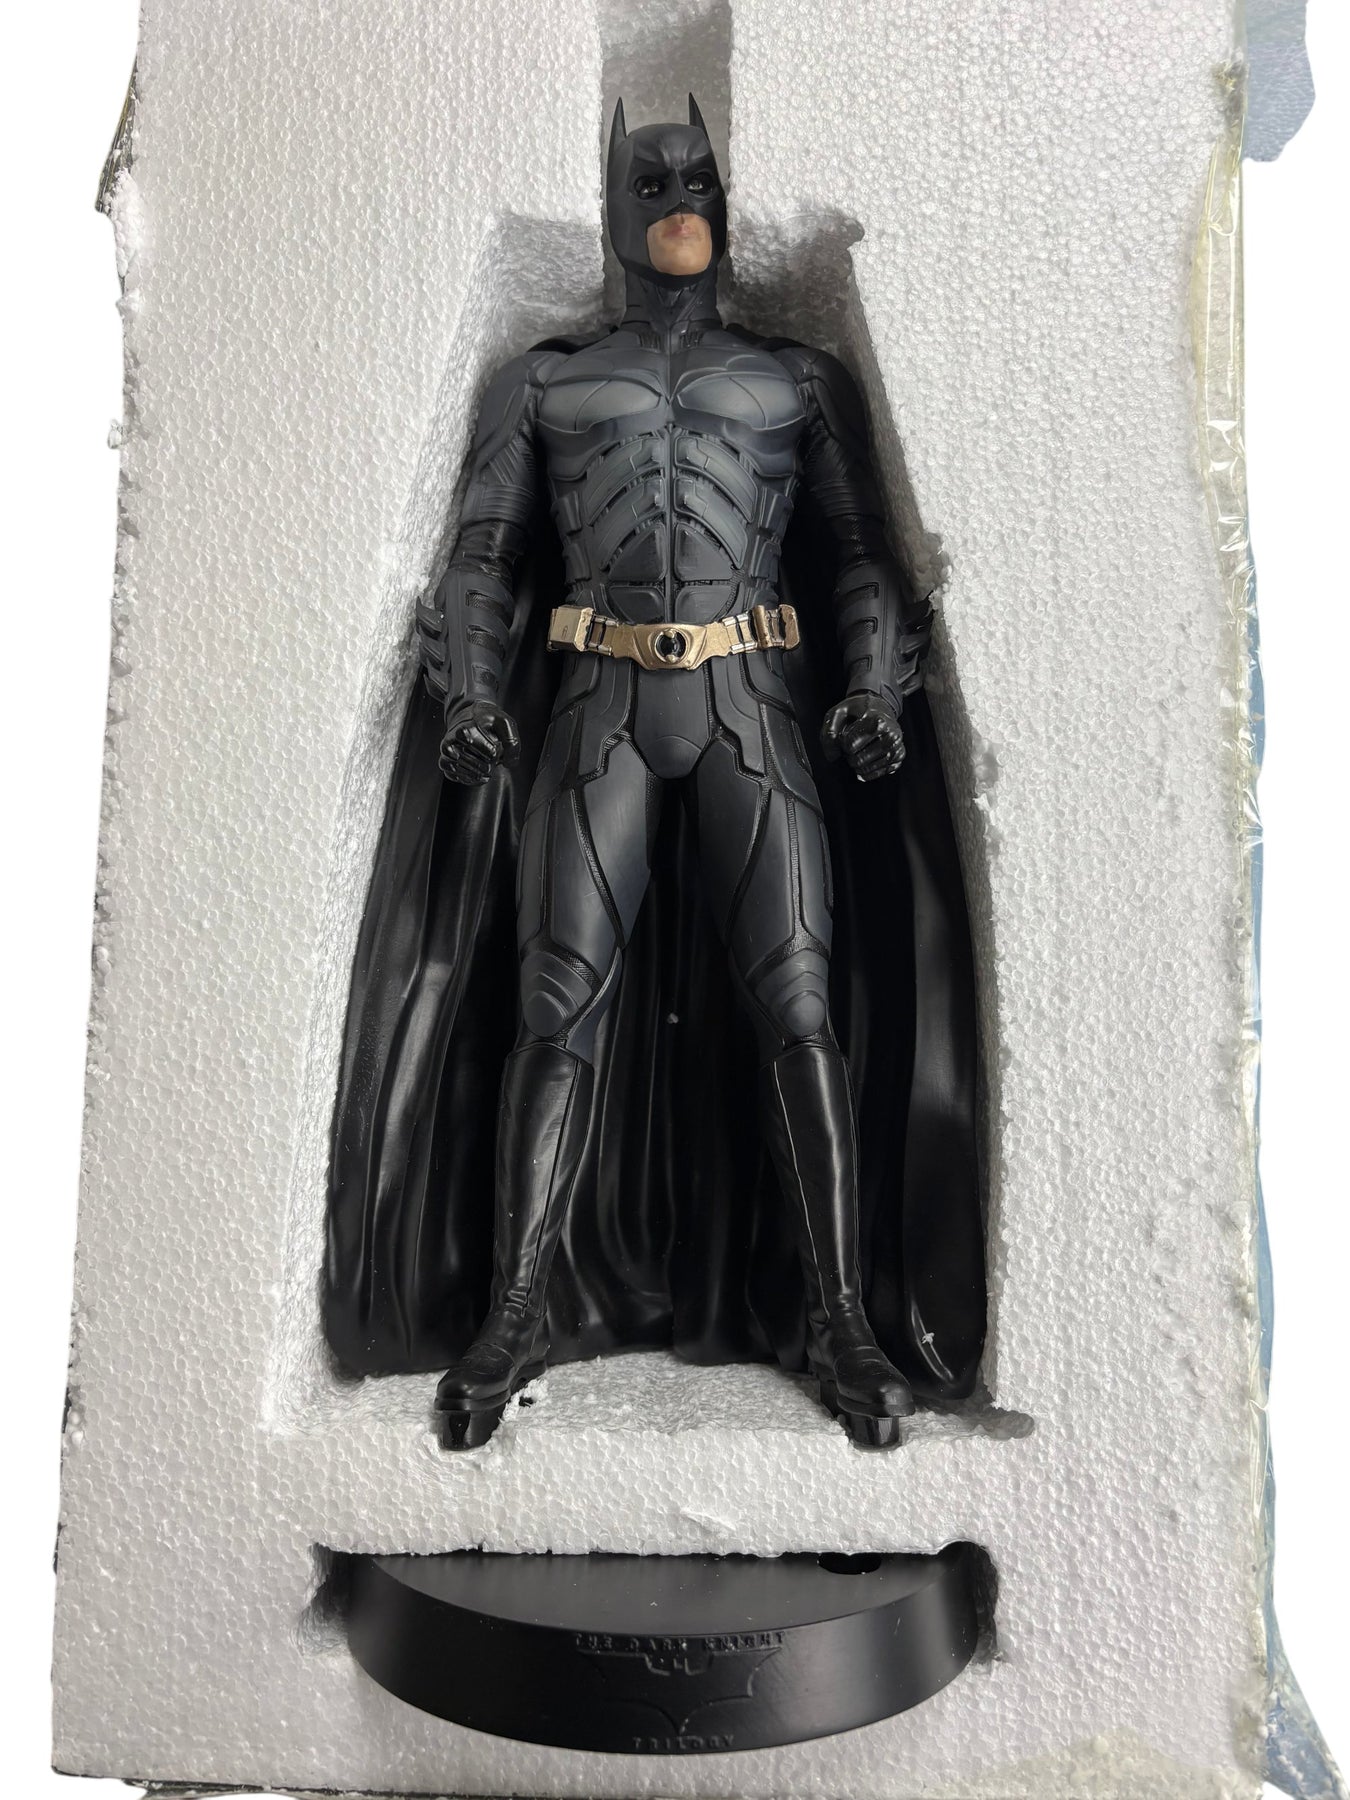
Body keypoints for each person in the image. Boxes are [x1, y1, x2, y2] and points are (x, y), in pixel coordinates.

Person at [420, 99, 942, 1450]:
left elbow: (860, 553)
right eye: (649, 181)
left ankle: (841, 1321)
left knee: (798, 1005)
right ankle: (515, 1310)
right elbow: (481, 557)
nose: (676, 198)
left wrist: (870, 685)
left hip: (748, 703)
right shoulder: (542, 382)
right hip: (598, 701)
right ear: (610, 203)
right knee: (554, 1002)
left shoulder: (794, 380)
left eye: (695, 177)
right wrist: (471, 691)